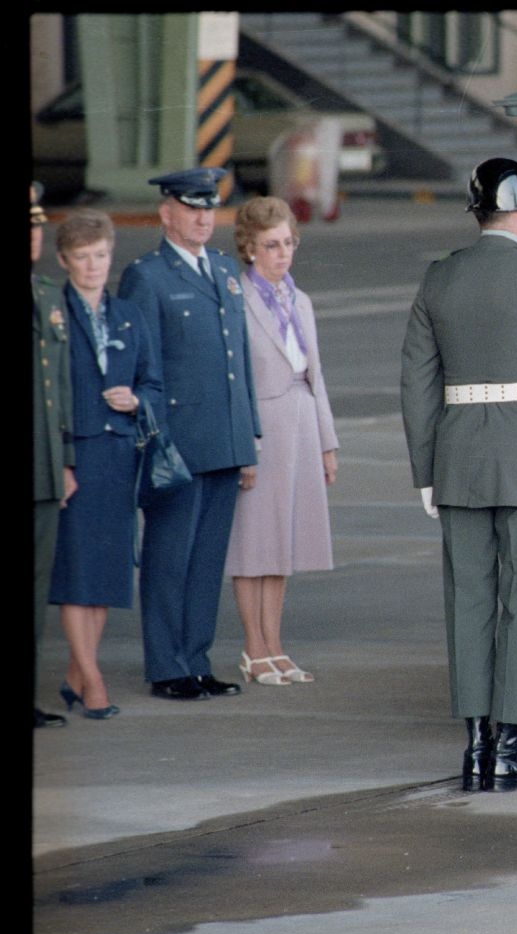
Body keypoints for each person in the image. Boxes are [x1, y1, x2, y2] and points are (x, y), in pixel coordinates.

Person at [401, 158, 517, 792]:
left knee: (469, 602)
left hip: (457, 463)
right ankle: (510, 746)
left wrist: (424, 470)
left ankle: (476, 745)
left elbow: (417, 384)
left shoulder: (440, 278)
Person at [118, 167, 260, 701]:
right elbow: (142, 368)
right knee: (168, 558)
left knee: (206, 563)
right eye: (193, 208)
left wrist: (249, 437)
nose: (204, 218)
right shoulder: (147, 276)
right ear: (167, 213)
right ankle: (166, 666)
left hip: (223, 439)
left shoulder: (223, 269)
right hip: (175, 443)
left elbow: (238, 362)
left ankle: (196, 660)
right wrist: (155, 439)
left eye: (209, 208)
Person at [47, 210, 162, 720]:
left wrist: (136, 400)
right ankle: (92, 680)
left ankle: (78, 671)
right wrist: (61, 463)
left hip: (119, 455)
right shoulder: (53, 316)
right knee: (76, 570)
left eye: (101, 255)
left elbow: (153, 381)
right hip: (75, 454)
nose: (93, 266)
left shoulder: (128, 315)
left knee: (105, 572)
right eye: (82, 257)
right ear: (63, 260)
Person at [224, 197, 340, 686]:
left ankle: (275, 643)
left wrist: (327, 443)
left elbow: (316, 375)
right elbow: (234, 380)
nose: (282, 253)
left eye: (288, 243)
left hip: (301, 420)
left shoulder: (300, 299)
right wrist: (241, 444)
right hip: (263, 426)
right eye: (271, 245)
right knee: (254, 544)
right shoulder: (236, 299)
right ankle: (254, 647)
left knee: (284, 543)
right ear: (250, 248)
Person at [33, 182, 75, 728]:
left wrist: (63, 459)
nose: (34, 236)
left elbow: (57, 389)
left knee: (38, 583)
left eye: (37, 226)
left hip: (44, 468)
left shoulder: (46, 294)